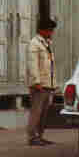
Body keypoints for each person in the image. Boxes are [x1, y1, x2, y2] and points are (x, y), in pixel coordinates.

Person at [26, 17, 57, 146]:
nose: (51, 32)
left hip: (47, 84)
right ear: (42, 30)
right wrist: (36, 82)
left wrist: (53, 84)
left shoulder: (46, 43)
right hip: (39, 85)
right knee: (36, 111)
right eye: (50, 30)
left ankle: (40, 135)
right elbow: (32, 64)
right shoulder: (34, 43)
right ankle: (32, 136)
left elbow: (50, 66)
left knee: (44, 113)